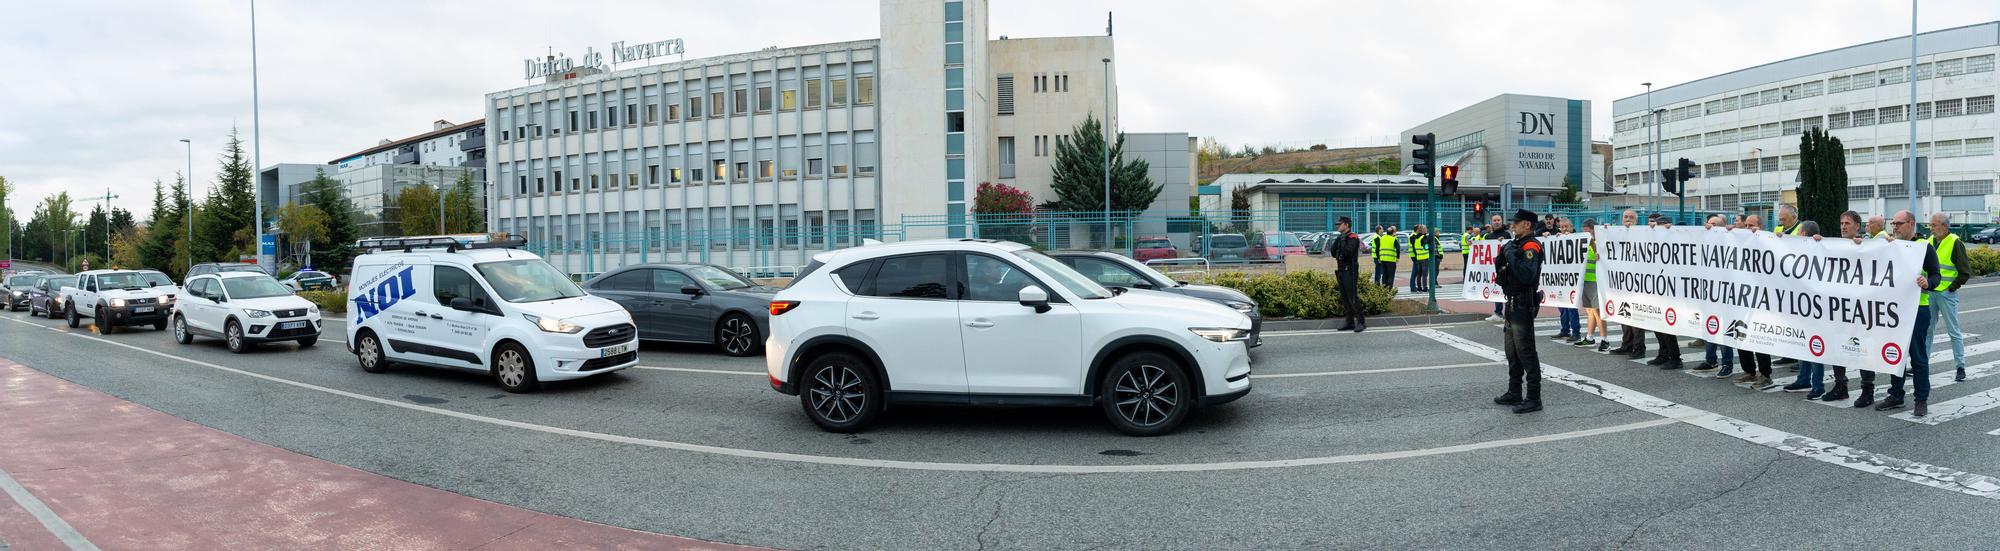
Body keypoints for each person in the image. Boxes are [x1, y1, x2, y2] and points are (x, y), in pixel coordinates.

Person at [1861, 210, 1941, 417]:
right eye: (1893, 223)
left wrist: (1928, 283)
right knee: (1894, 354)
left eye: (1899, 223)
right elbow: (1858, 253)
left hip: (1916, 310)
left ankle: (1921, 399)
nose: (1894, 227)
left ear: (1911, 224)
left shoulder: (1924, 248)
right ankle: (1896, 395)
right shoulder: (1888, 246)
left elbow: (1936, 275)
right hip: (1892, 311)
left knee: (1918, 358)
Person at [1493, 209, 1545, 414]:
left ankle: (1534, 397)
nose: (1512, 225)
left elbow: (1525, 275)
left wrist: (1511, 257)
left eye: (1517, 222)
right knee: (1511, 351)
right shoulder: (1515, 245)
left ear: (1528, 225)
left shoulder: (1531, 245)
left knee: (1526, 351)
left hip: (1523, 303)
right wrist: (1505, 256)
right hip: (1512, 303)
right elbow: (1501, 275)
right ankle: (1514, 391)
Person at [1810, 210, 1866, 402]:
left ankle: (1868, 390)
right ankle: (1841, 385)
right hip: (1837, 308)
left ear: (1857, 226)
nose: (1843, 226)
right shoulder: (1833, 245)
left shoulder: (1866, 246)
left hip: (1859, 308)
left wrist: (1862, 245)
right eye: (1841, 223)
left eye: (1847, 223)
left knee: (1861, 347)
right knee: (1836, 347)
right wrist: (1817, 241)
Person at [1783, 221, 1830, 395]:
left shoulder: (1819, 249)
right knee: (1803, 344)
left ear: (1803, 234)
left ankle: (1818, 385)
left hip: (1815, 308)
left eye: (1797, 232)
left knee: (1815, 345)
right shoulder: (1797, 250)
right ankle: (1803, 380)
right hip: (1800, 306)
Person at [1730, 214, 1777, 388]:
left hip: (1761, 299)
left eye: (1751, 226)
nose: (1747, 229)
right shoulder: (1739, 240)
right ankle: (1749, 370)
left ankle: (1765, 374)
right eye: (1746, 225)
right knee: (1740, 334)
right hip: (1741, 297)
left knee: (1759, 337)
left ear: (1760, 227)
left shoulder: (1766, 241)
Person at [1928, 212, 1970, 382]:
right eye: (1931, 225)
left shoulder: (1955, 242)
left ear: (1945, 227)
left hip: (1946, 293)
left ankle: (1960, 367)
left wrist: (1951, 288)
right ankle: (1923, 364)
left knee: (1953, 331)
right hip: (1930, 292)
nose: (1931, 229)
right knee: (1927, 331)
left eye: (1934, 225)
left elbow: (1965, 272)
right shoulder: (1929, 241)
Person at [1693, 214, 1735, 378]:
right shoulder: (1703, 239)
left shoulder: (1729, 239)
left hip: (1725, 295)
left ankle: (1727, 364)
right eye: (1709, 223)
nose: (1711, 226)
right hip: (1707, 293)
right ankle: (1710, 360)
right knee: (1709, 327)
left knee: (1724, 331)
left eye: (1715, 224)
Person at [1608, 209, 1647, 358]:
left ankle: (1639, 348)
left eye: (1631, 217)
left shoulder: (1641, 234)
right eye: (1625, 217)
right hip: (1621, 282)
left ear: (1636, 220)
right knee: (1623, 315)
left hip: (1637, 283)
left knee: (1636, 317)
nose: (1628, 219)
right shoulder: (1616, 233)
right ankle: (1627, 345)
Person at [1646, 214, 1683, 370]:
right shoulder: (1653, 240)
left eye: (1662, 225)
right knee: (1657, 324)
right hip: (1656, 287)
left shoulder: (1675, 238)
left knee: (1668, 326)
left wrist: (1672, 230)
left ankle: (1675, 358)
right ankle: (1663, 354)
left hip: (1670, 289)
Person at [1572, 219, 1611, 352]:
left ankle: (1605, 340)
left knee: (1597, 311)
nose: (1586, 235)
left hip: (1596, 280)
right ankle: (1589, 337)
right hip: (1586, 280)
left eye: (1588, 232)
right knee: (1590, 310)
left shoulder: (1599, 242)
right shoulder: (1584, 242)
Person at [1330, 217, 1366, 333]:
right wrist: (1339, 239)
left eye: (1339, 224)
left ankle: (1361, 322)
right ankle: (1349, 321)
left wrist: (1343, 240)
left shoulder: (1353, 237)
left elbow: (1348, 252)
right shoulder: (1341, 237)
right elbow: (1332, 252)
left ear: (1346, 225)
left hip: (1350, 270)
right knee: (1344, 298)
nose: (1337, 226)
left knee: (1352, 297)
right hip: (1340, 270)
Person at [1551, 218, 1581, 343]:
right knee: (1562, 306)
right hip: (1561, 278)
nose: (1564, 229)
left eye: (1566, 227)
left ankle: (1576, 332)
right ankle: (1564, 330)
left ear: (1572, 227)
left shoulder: (1578, 238)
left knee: (1571, 307)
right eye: (1562, 227)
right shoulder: (1558, 239)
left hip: (1572, 278)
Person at [1483, 215, 1510, 322]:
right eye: (1494, 220)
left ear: (1502, 221)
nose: (1497, 222)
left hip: (1505, 266)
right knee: (1496, 289)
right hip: (1493, 267)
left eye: (1498, 220)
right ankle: (1498, 312)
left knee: (1507, 291)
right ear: (1492, 222)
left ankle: (1509, 314)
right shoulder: (1488, 236)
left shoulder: (1507, 234)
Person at [1410, 225, 1437, 293]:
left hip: (1418, 257)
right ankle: (1425, 287)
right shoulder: (1423, 237)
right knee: (1424, 274)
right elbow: (1425, 246)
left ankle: (1419, 287)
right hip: (1424, 258)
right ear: (1422, 230)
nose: (1427, 230)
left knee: (1419, 274)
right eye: (1425, 229)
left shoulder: (1416, 238)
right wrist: (1430, 248)